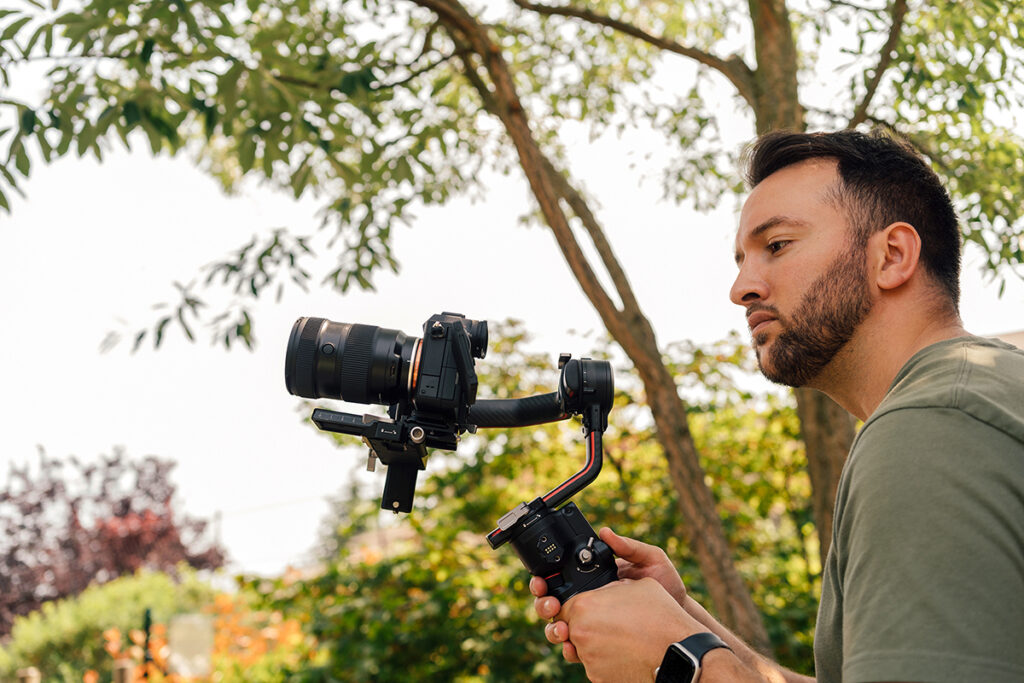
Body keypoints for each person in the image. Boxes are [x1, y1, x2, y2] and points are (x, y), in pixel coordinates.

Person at [531, 129, 1024, 683]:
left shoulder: (931, 428)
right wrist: (687, 622)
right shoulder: (968, 400)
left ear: (892, 256)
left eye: (778, 245)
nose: (741, 287)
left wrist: (680, 666)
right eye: (742, 258)